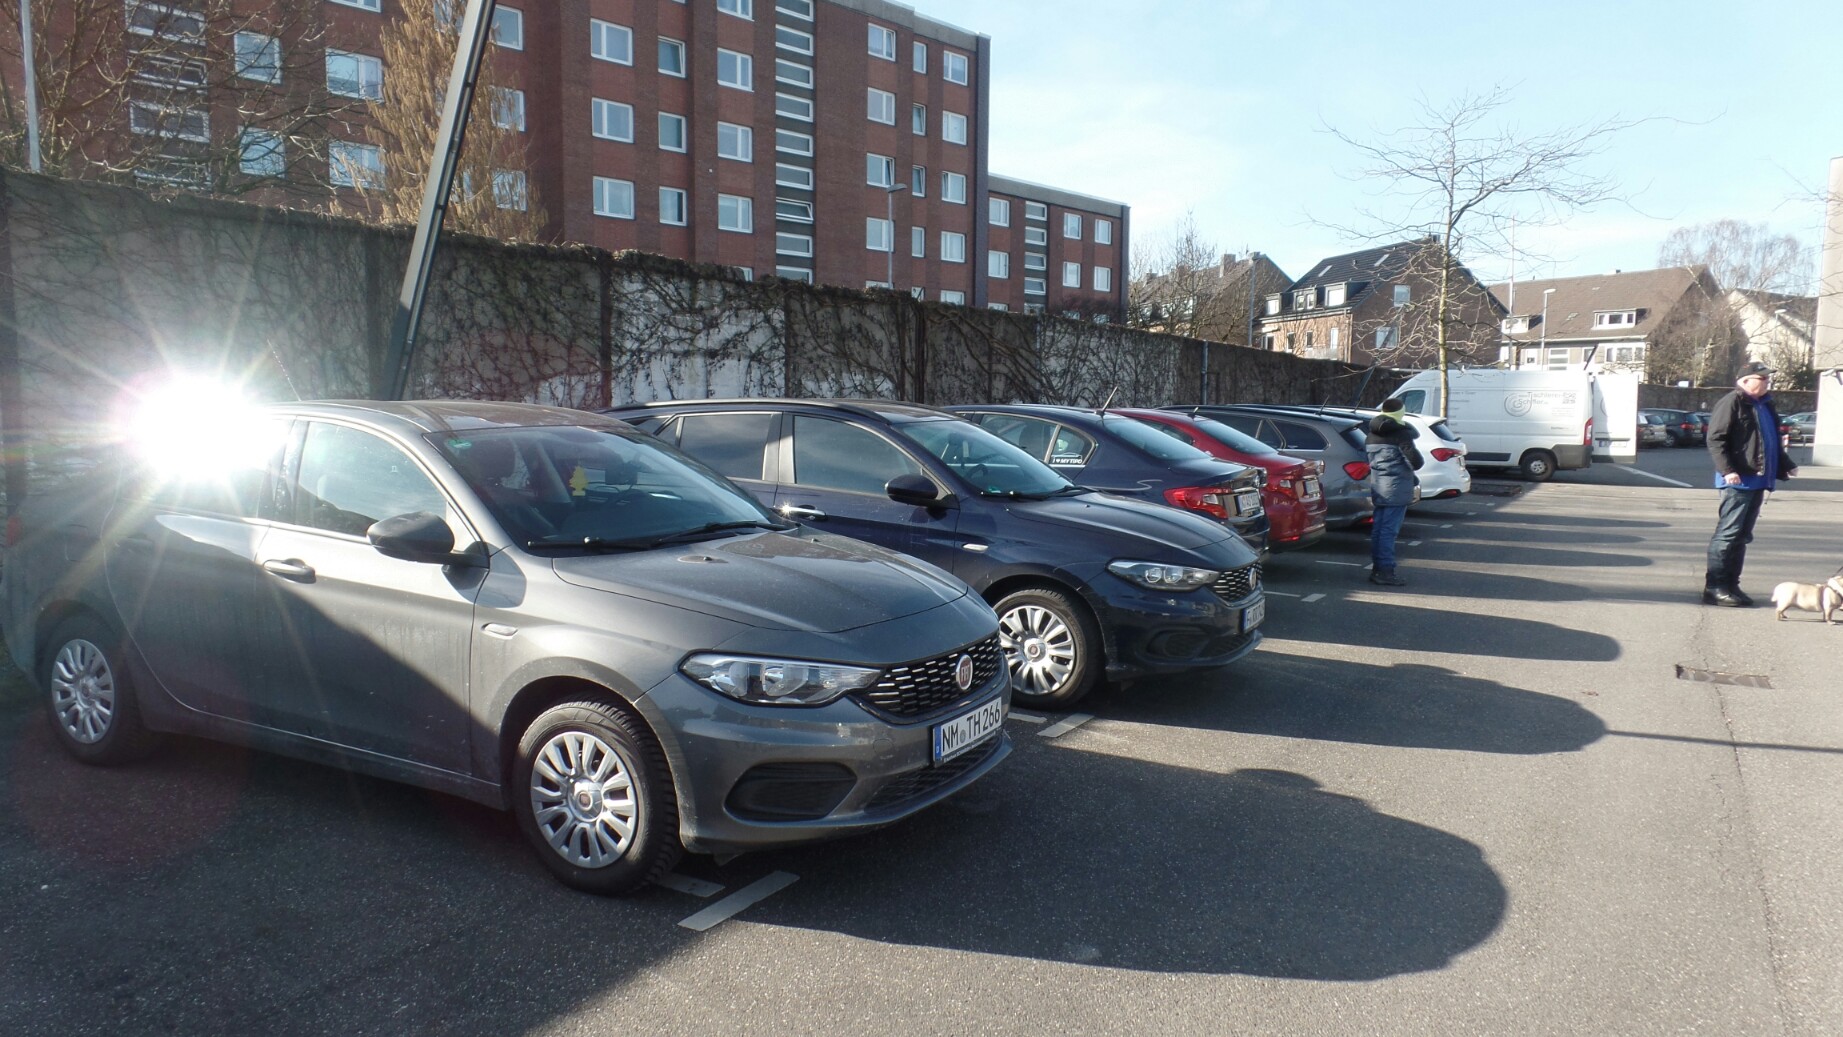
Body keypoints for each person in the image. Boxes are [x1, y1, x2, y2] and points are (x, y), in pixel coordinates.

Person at [1702, 361, 1798, 607]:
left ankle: (1732, 585)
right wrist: (1727, 470)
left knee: (1742, 537)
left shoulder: (1765, 404)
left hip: (1758, 480)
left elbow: (1772, 440)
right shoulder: (1732, 402)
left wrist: (1786, 464)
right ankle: (1715, 587)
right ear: (1744, 381)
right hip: (1738, 480)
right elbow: (1716, 439)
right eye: (1762, 378)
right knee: (1728, 534)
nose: (1767, 382)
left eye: (1767, 379)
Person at [1366, 398, 1423, 587]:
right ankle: (1385, 571)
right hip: (1396, 488)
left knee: (1379, 530)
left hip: (1379, 487)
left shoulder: (1371, 434)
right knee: (1389, 532)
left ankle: (1378, 569)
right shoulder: (1400, 434)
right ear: (1401, 412)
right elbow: (1416, 461)